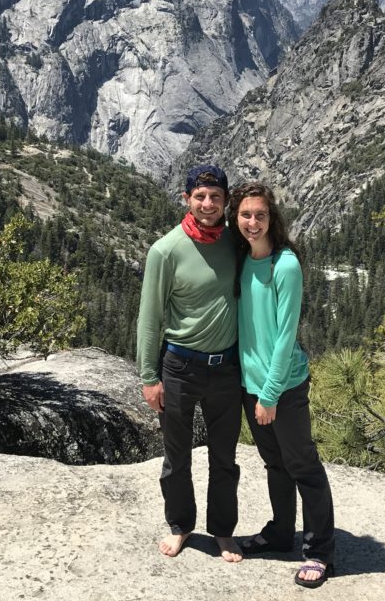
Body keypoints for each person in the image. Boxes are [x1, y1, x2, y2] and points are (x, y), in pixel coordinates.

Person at [227, 182, 335, 589]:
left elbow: (286, 336)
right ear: (235, 219)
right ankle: (280, 532)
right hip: (250, 385)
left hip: (282, 387)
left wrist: (270, 393)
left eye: (260, 215)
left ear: (272, 219)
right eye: (245, 215)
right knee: (276, 464)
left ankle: (320, 550)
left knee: (303, 466)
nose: (252, 223)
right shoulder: (242, 260)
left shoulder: (284, 265)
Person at [136, 164, 243, 562]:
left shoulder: (236, 243)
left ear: (226, 201)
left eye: (216, 197)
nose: (208, 204)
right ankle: (180, 526)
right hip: (179, 366)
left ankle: (223, 531)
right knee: (176, 457)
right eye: (200, 197)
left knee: (225, 458)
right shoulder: (166, 250)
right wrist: (149, 376)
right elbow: (150, 316)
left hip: (227, 368)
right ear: (186, 200)